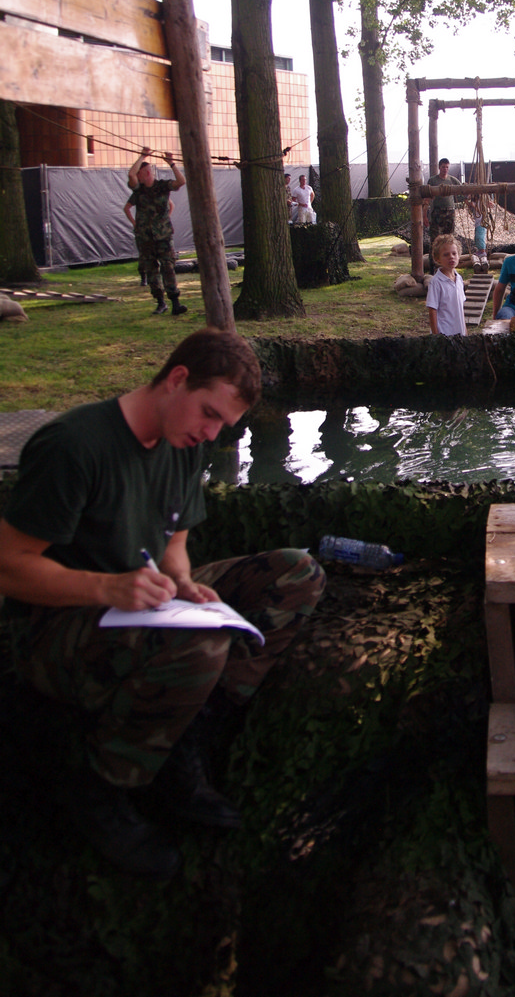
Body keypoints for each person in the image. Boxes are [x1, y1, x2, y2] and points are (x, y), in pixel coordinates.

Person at [0, 329, 326, 877]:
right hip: (57, 627)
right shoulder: (74, 446)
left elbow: (175, 539)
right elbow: (10, 566)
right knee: (202, 642)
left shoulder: (183, 443)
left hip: (143, 598)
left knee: (298, 573)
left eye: (223, 425)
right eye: (209, 414)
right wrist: (106, 588)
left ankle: (188, 731)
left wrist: (182, 581)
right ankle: (104, 786)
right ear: (176, 379)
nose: (211, 433)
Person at [125, 148, 188, 316]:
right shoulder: (138, 190)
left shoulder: (162, 186)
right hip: (145, 238)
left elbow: (181, 181)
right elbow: (131, 175)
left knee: (168, 267)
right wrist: (143, 156)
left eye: (140, 174)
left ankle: (175, 303)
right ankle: (160, 303)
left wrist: (172, 163)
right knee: (151, 270)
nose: (137, 176)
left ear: (146, 173)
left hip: (163, 236)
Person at [426, 235, 467, 336]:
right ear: (437, 259)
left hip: (460, 334)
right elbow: (432, 310)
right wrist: (436, 336)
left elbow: (460, 309)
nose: (451, 257)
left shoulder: (459, 279)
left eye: (454, 253)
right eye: (446, 255)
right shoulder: (436, 282)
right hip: (444, 335)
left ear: (459, 255)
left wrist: (465, 331)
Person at [426, 158, 460, 260]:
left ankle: (449, 261)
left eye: (447, 167)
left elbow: (463, 191)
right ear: (439, 167)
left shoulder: (453, 180)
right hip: (437, 212)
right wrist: (424, 215)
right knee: (435, 239)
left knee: (449, 239)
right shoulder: (433, 180)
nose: (445, 169)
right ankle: (434, 263)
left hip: (450, 211)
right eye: (443, 167)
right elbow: (426, 199)